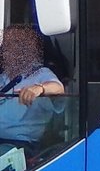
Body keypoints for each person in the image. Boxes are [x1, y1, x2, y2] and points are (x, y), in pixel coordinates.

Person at [0, 24, 66, 152]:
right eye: (6, 43)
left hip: (20, 145)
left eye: (17, 43)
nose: (9, 48)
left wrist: (39, 89)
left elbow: (58, 88)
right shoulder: (3, 76)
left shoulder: (40, 73)